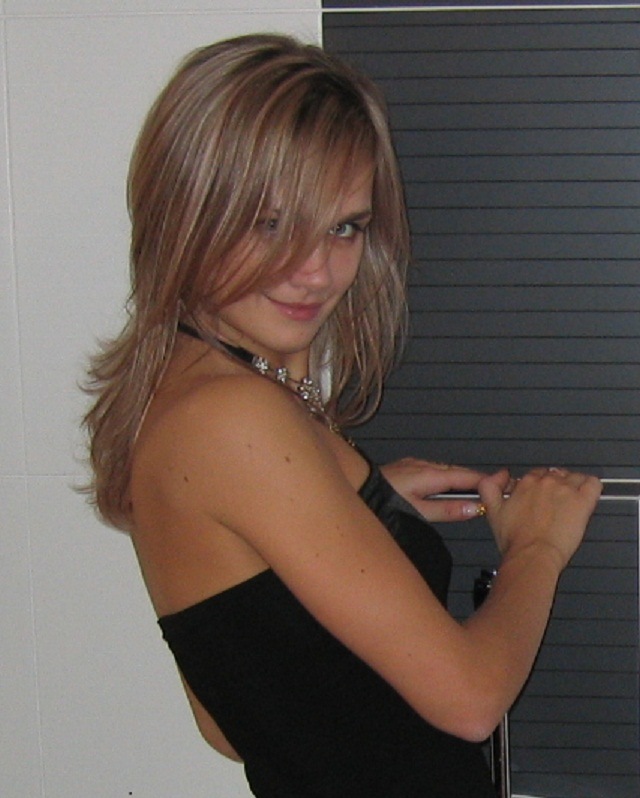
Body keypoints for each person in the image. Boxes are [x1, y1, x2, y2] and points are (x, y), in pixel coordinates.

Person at [82, 33, 601, 798]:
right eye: (269, 224)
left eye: (344, 227)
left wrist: (355, 510)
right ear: (188, 209)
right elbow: (469, 701)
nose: (316, 271)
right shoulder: (234, 419)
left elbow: (230, 721)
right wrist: (538, 547)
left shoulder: (183, 389)